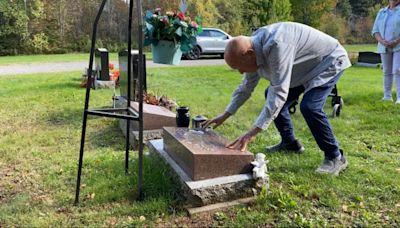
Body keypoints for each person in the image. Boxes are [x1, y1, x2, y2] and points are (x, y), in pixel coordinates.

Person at [202, 22, 351, 175]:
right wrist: (224, 115)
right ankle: (290, 143)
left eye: (239, 67)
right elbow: (245, 88)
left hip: (328, 61)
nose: (241, 72)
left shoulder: (277, 45)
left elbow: (279, 93)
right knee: (270, 95)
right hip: (304, 67)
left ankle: (335, 156)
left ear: (249, 54)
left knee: (310, 106)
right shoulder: (253, 52)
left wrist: (251, 133)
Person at [372, 0, 400, 103]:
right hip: (384, 46)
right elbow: (375, 30)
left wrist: (396, 41)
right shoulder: (381, 12)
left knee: (398, 70)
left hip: (398, 45)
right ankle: (387, 96)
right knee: (387, 71)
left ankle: (399, 97)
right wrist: (382, 41)